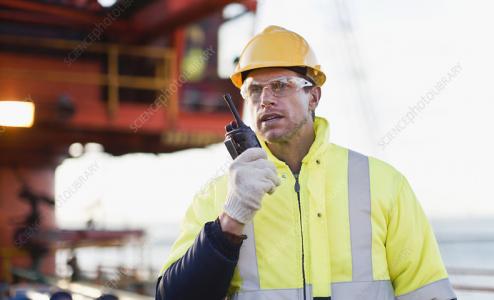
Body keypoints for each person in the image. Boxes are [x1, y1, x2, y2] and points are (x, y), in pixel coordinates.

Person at [156, 25, 457, 300]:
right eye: (255, 90)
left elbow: (428, 292)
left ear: (313, 97)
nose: (265, 100)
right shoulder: (218, 197)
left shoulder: (383, 184)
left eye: (280, 86)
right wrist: (231, 220)